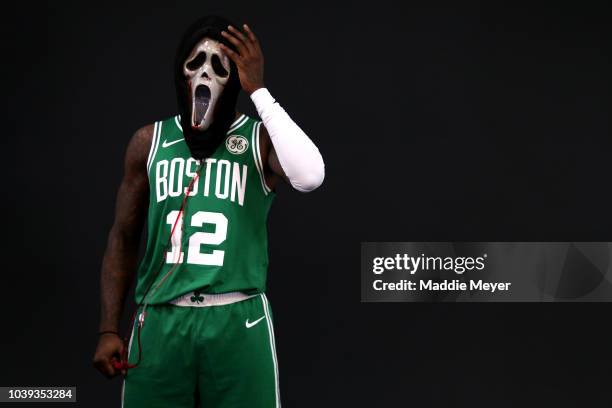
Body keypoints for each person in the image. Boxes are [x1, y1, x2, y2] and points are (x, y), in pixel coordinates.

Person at [92, 15, 324, 408]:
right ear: (180, 71)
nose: (205, 73)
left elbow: (310, 175)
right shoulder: (149, 141)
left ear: (236, 77)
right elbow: (124, 235)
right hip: (161, 321)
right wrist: (108, 328)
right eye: (195, 61)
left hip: (237, 318)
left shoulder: (259, 139)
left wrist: (261, 91)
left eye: (220, 65)